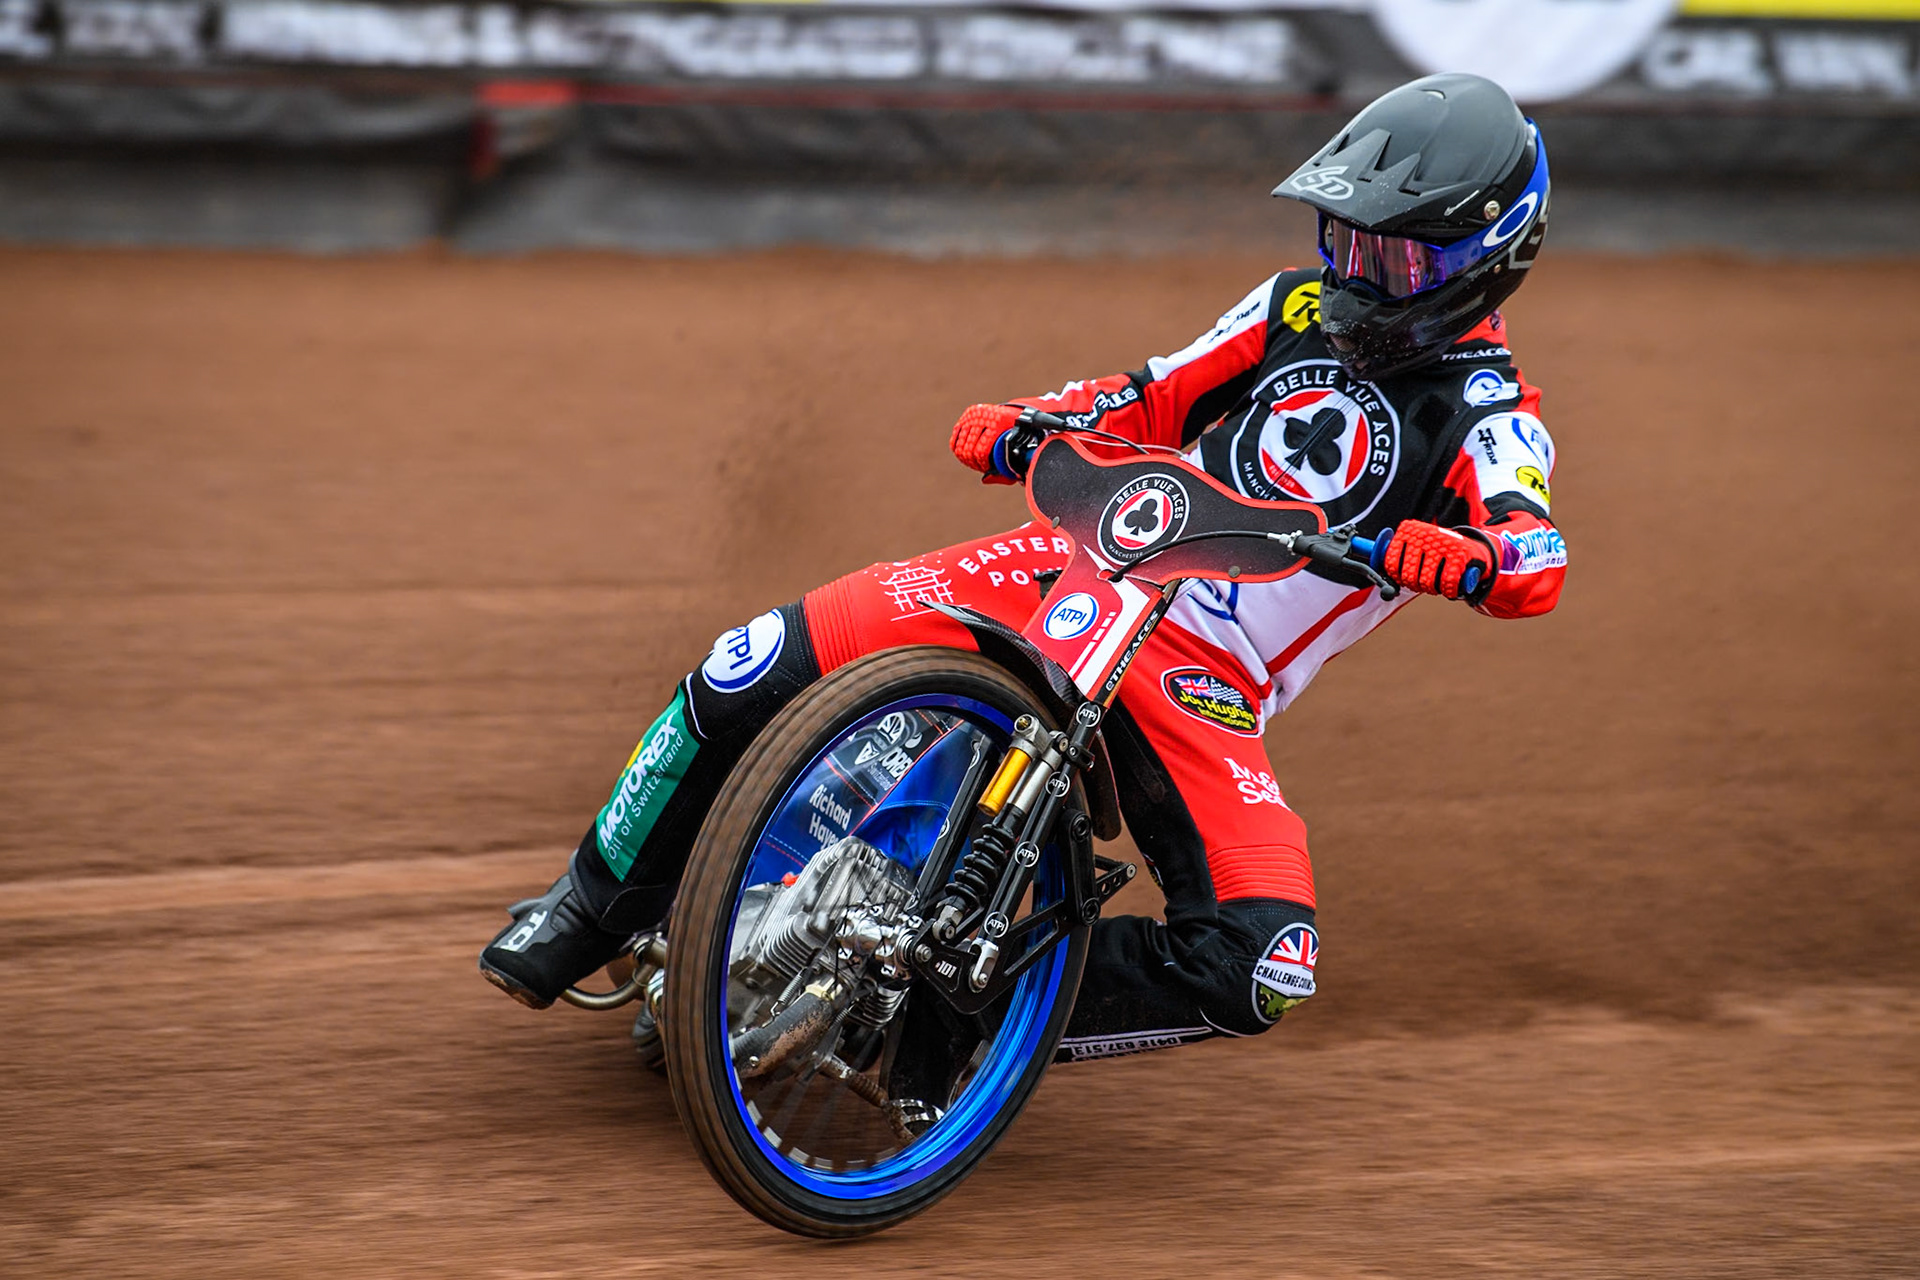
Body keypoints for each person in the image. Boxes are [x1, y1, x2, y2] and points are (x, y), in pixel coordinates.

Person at [479, 72, 1567, 1061]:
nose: (1355, 275)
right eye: (1344, 241)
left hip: (1206, 678)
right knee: (749, 661)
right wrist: (1033, 418)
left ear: (1490, 255)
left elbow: (1534, 553)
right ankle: (589, 903)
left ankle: (976, 1012)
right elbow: (1149, 395)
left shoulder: (1492, 418)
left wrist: (1465, 560)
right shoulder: (1290, 305)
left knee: (1261, 965)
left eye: (1395, 258)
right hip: (1083, 560)